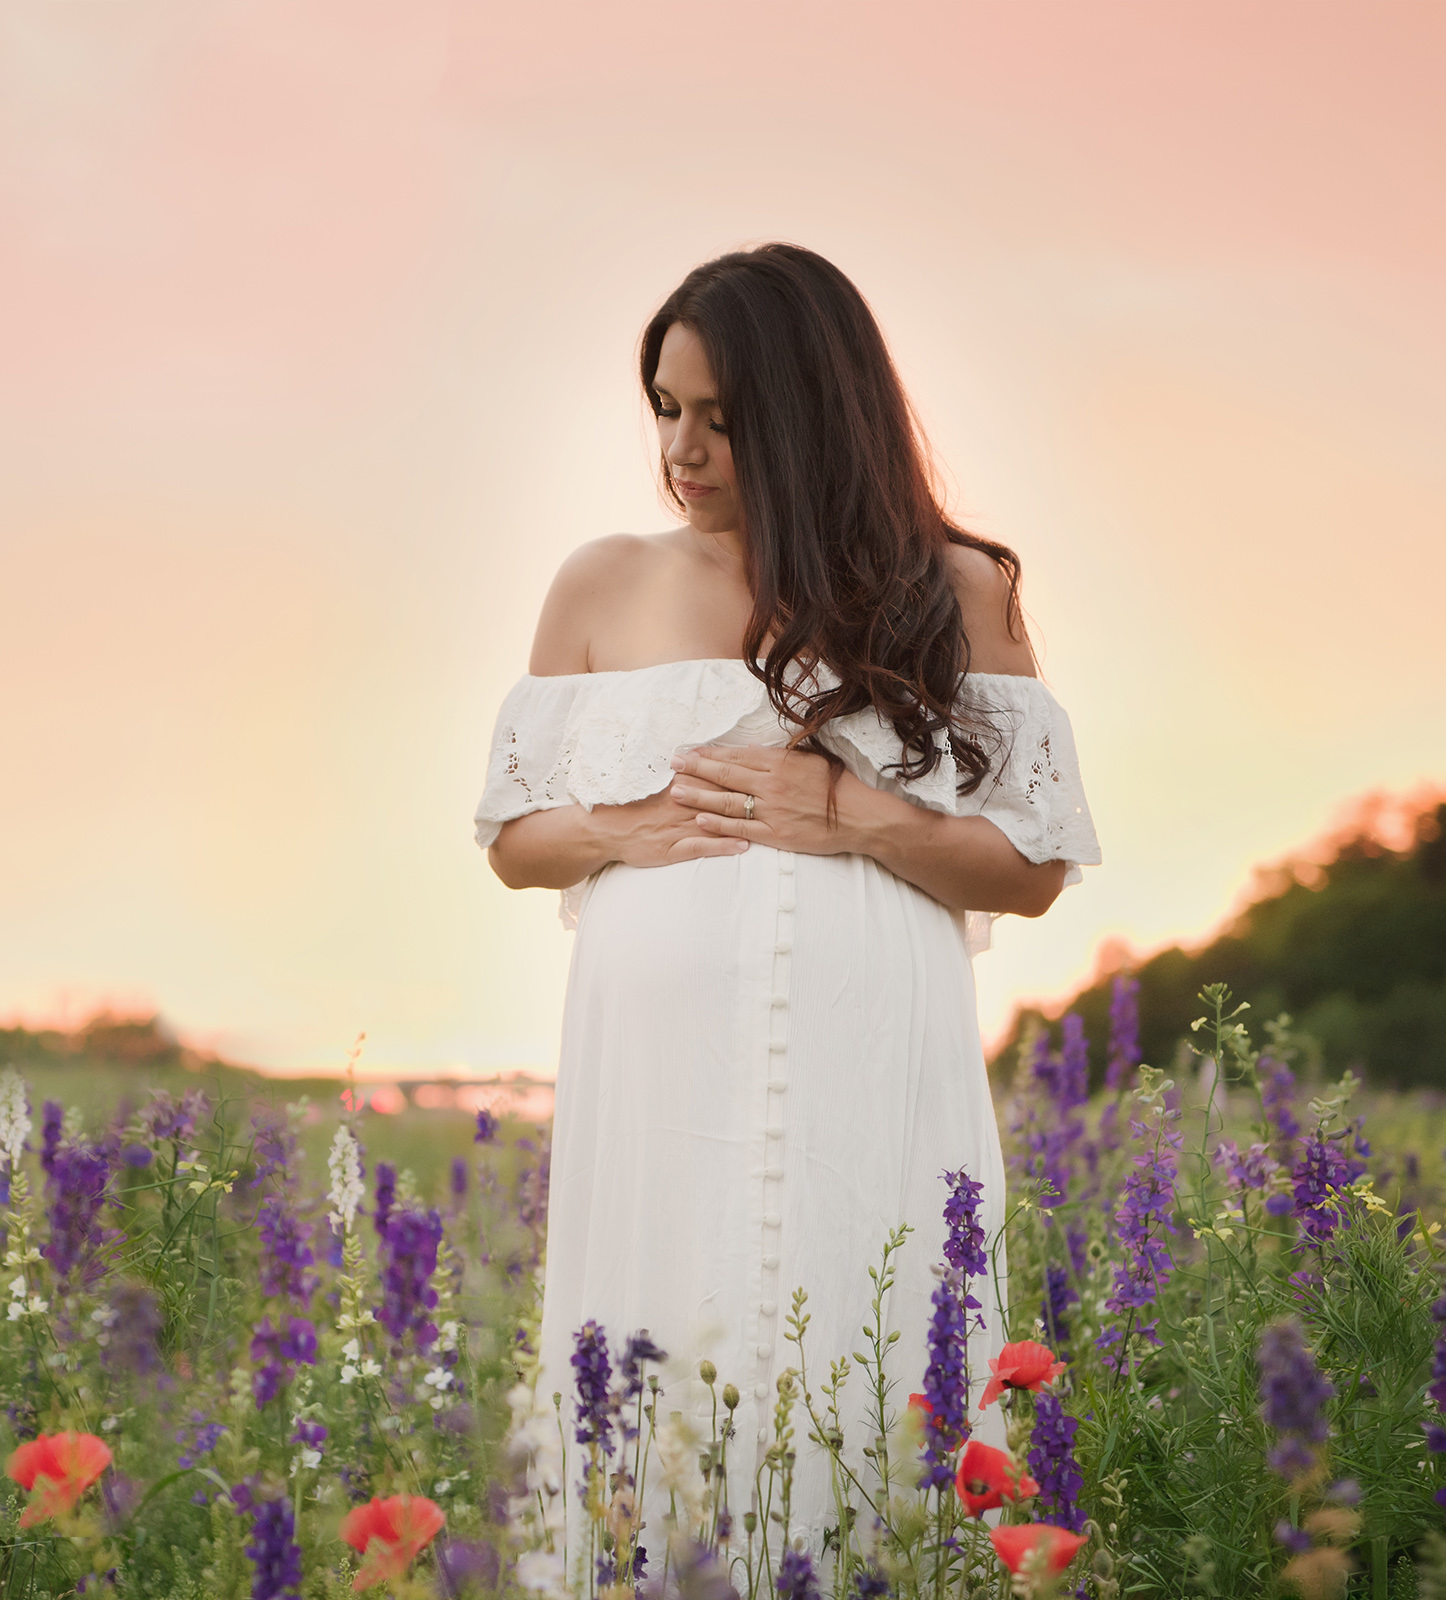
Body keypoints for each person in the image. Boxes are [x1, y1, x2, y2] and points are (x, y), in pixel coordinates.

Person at [473, 245, 1101, 1559]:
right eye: (665, 408)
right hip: (654, 1081)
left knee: (869, 1361)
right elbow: (515, 841)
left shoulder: (957, 592)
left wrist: (856, 816)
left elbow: (1033, 869)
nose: (680, 451)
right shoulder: (602, 583)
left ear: (812, 413)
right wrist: (620, 830)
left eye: (722, 417)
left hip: (871, 1066)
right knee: (651, 1374)